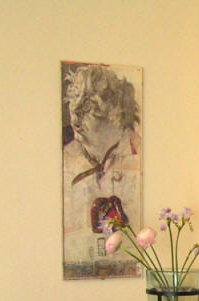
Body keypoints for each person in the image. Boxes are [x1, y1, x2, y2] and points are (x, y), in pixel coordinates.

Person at [62, 63, 141, 277]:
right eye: (78, 111)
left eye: (92, 112)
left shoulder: (137, 153)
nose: (78, 122)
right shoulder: (67, 161)